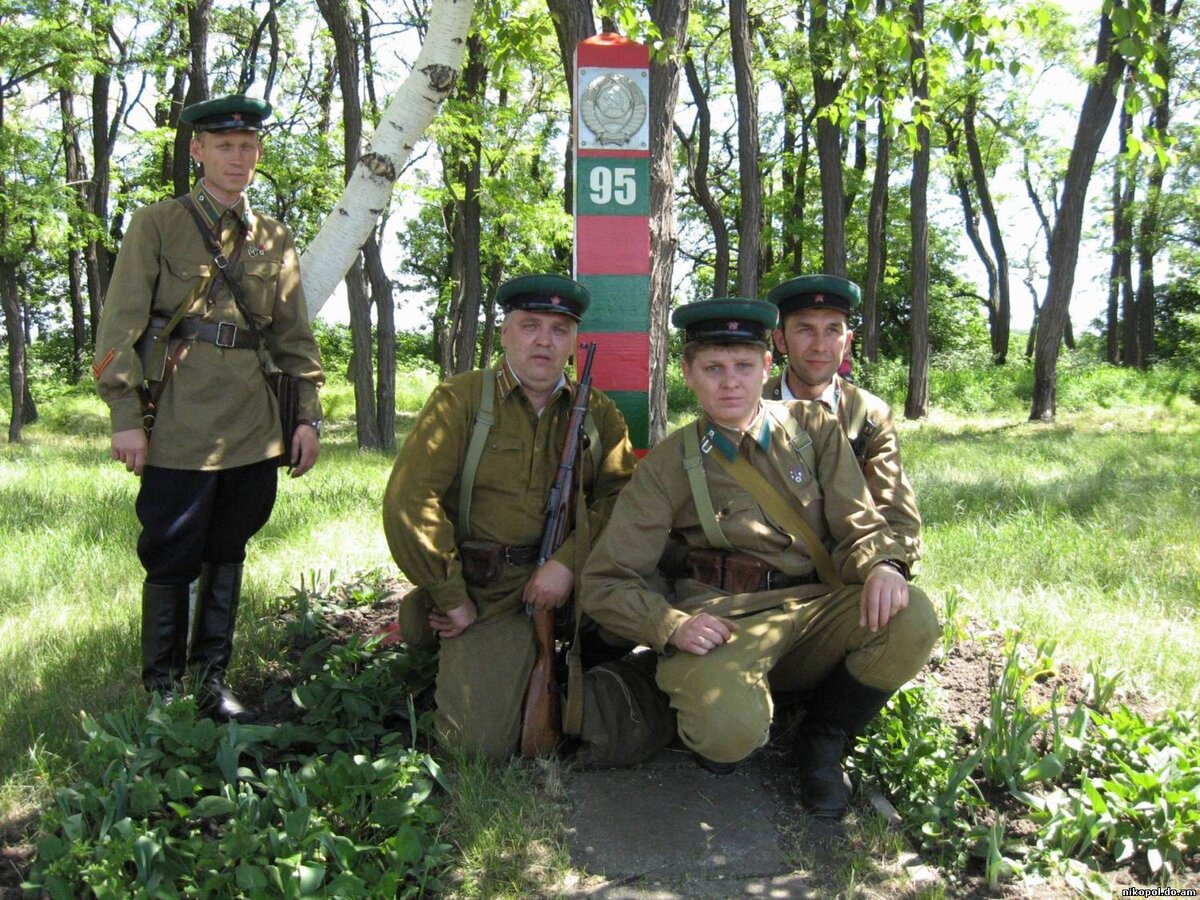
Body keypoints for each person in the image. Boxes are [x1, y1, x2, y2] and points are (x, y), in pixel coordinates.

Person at [581, 298, 938, 819]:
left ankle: (823, 736)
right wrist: (669, 625)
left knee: (912, 616)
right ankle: (701, 697)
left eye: (744, 366)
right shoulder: (667, 465)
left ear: (766, 367)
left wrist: (884, 564)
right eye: (713, 368)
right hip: (725, 620)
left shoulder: (814, 429)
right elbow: (606, 580)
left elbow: (858, 523)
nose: (730, 382)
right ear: (688, 373)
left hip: (815, 609)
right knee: (727, 737)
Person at [92, 94, 325, 723]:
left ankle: (210, 683)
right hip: (176, 419)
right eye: (223, 145)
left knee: (229, 547)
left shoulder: (273, 237)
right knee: (171, 549)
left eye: (247, 147)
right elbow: (120, 325)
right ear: (197, 150)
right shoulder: (158, 224)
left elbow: (294, 337)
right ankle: (163, 691)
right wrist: (123, 416)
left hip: (252, 425)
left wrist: (306, 416)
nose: (237, 157)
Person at [383, 274, 637, 761]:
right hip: (489, 587)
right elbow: (410, 502)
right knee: (475, 747)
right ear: (504, 333)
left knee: (643, 609)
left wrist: (566, 562)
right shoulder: (459, 401)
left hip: (575, 581)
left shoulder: (599, 414)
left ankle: (594, 678)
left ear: (573, 342)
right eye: (530, 325)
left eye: (559, 330)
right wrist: (453, 596)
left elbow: (622, 498)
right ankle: (476, 647)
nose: (544, 340)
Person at [764, 275, 922, 565]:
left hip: (844, 570)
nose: (820, 346)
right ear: (780, 339)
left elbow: (897, 516)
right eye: (805, 329)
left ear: (847, 342)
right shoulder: (748, 404)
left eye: (833, 330)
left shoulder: (868, 416)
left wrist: (890, 567)